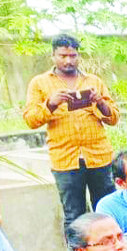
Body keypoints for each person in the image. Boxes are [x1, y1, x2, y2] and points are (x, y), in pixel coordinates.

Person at [22, 34, 119, 228]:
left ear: (78, 56)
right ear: (53, 56)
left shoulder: (94, 81)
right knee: (74, 215)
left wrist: (99, 101)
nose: (68, 60)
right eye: (63, 56)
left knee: (106, 210)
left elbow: (114, 118)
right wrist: (51, 103)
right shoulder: (39, 83)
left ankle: (109, 248)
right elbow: (31, 120)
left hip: (99, 157)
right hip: (65, 159)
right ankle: (78, 249)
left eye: (73, 55)